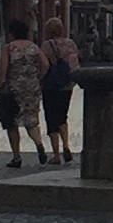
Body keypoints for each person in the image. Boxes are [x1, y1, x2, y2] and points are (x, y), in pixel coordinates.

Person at [0, 18, 51, 167]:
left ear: (12, 33)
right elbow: (45, 64)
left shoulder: (8, 48)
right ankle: (39, 144)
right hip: (32, 88)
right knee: (31, 119)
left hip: (13, 89)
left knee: (12, 122)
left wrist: (0, 84)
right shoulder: (34, 47)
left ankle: (17, 157)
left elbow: (3, 69)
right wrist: (37, 77)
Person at [39, 19, 80, 164]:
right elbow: (75, 64)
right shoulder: (70, 43)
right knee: (63, 116)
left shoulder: (47, 45)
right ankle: (66, 146)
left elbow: (44, 65)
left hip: (51, 86)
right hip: (67, 85)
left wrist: (40, 79)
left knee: (51, 117)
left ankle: (56, 154)